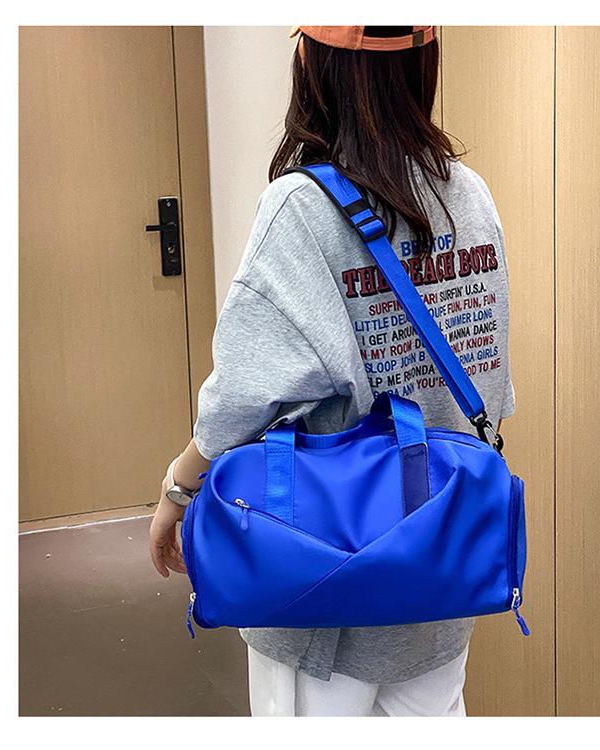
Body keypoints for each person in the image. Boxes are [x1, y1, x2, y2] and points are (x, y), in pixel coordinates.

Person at [149, 25, 515, 717]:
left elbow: (243, 397)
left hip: (321, 589)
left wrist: (179, 487)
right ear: (425, 62)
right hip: (438, 573)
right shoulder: (468, 195)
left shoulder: (302, 207)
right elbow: (490, 381)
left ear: (310, 62)